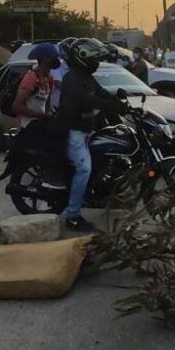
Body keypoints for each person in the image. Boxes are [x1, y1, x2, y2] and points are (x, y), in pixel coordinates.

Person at [57, 39, 125, 231]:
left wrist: (119, 100)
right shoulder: (73, 79)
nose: (96, 63)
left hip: (86, 130)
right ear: (82, 58)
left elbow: (101, 94)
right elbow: (87, 101)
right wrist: (110, 105)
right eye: (94, 59)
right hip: (74, 132)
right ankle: (73, 216)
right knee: (84, 169)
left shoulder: (86, 77)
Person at [13, 43, 58, 129]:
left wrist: (49, 115)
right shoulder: (31, 78)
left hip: (40, 125)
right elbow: (16, 106)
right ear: (43, 61)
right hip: (26, 127)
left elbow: (47, 103)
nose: (50, 68)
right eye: (49, 65)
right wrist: (40, 115)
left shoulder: (49, 78)